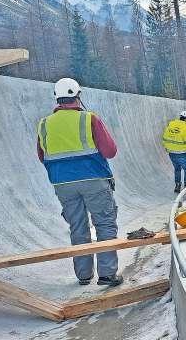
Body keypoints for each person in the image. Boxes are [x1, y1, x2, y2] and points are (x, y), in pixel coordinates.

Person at [37, 78, 122, 287]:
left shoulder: (44, 124)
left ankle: (83, 275)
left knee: (77, 226)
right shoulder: (89, 119)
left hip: (62, 184)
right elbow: (110, 151)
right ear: (78, 96)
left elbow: (42, 155)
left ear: (57, 98)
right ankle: (107, 274)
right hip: (93, 180)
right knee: (104, 223)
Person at [162, 111, 186, 193]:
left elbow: (165, 138)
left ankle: (177, 185)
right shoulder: (185, 128)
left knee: (177, 169)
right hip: (182, 153)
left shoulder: (170, 126)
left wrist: (167, 147)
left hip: (172, 154)